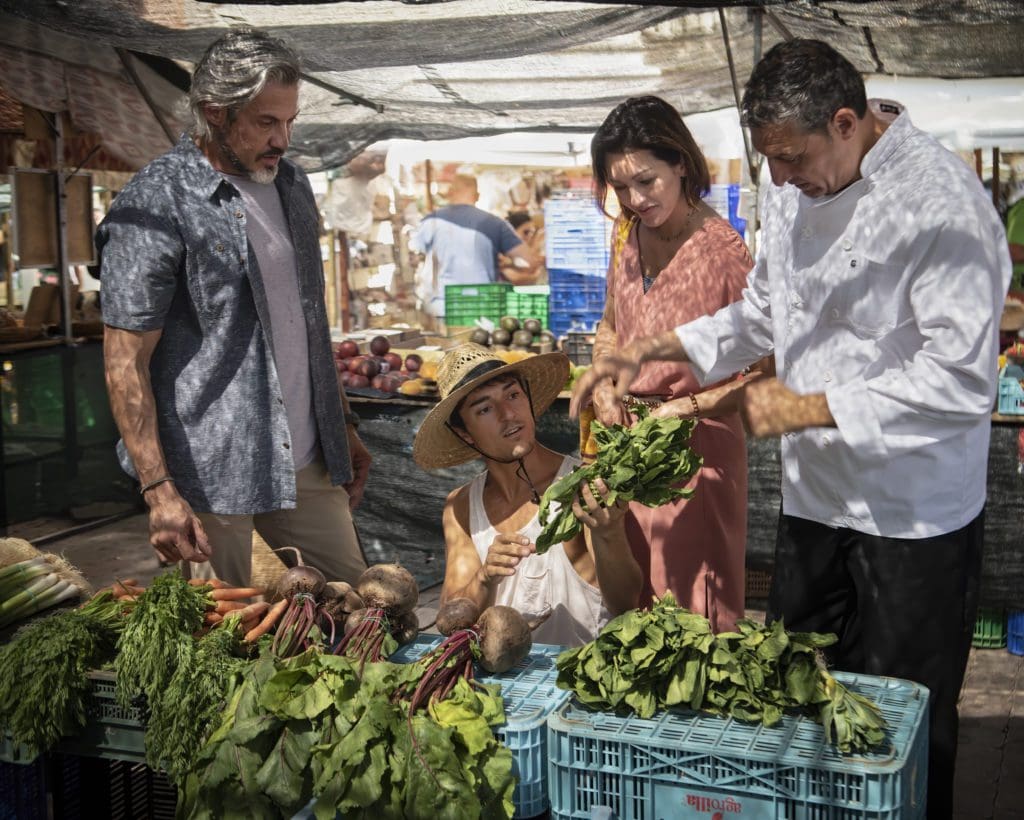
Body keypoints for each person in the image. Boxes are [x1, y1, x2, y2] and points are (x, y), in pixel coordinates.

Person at [571, 40, 1011, 819]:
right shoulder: (794, 187)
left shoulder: (943, 206)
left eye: (790, 158)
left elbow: (958, 381)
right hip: (816, 499)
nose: (778, 179)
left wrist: (804, 407)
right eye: (767, 160)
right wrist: (651, 351)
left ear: (848, 122)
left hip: (911, 511)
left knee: (902, 719)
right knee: (804, 700)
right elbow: (762, 314)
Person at [97, 28, 371, 588]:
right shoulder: (154, 202)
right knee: (219, 645)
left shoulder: (292, 185)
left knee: (362, 611)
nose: (283, 138)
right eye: (267, 122)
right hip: (206, 477)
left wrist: (342, 423)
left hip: (305, 459)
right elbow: (125, 360)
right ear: (214, 113)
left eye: (290, 121)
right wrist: (158, 489)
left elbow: (307, 323)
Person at [586, 95, 757, 632]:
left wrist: (685, 407)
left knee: (689, 617)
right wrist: (606, 380)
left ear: (680, 163)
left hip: (696, 455)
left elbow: (770, 372)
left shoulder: (723, 255)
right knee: (633, 597)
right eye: (619, 187)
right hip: (630, 448)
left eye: (646, 181)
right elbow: (610, 323)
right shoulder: (628, 236)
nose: (634, 199)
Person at [412, 344, 642, 646]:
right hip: (504, 685)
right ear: (466, 434)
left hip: (584, 679)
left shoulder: (583, 484)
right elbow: (450, 619)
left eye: (513, 395)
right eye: (484, 408)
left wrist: (609, 532)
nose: (508, 414)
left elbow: (627, 604)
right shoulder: (462, 506)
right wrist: (484, 577)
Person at [411, 174, 540, 321]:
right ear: (477, 196)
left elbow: (414, 259)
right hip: (482, 309)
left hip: (442, 307)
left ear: (451, 193)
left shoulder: (430, 222)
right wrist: (505, 264)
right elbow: (529, 263)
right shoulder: (495, 223)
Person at [499, 210, 546, 283]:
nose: (530, 236)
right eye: (526, 232)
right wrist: (535, 276)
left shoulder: (539, 254)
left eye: (533, 233)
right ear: (512, 233)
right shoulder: (502, 254)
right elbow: (515, 278)